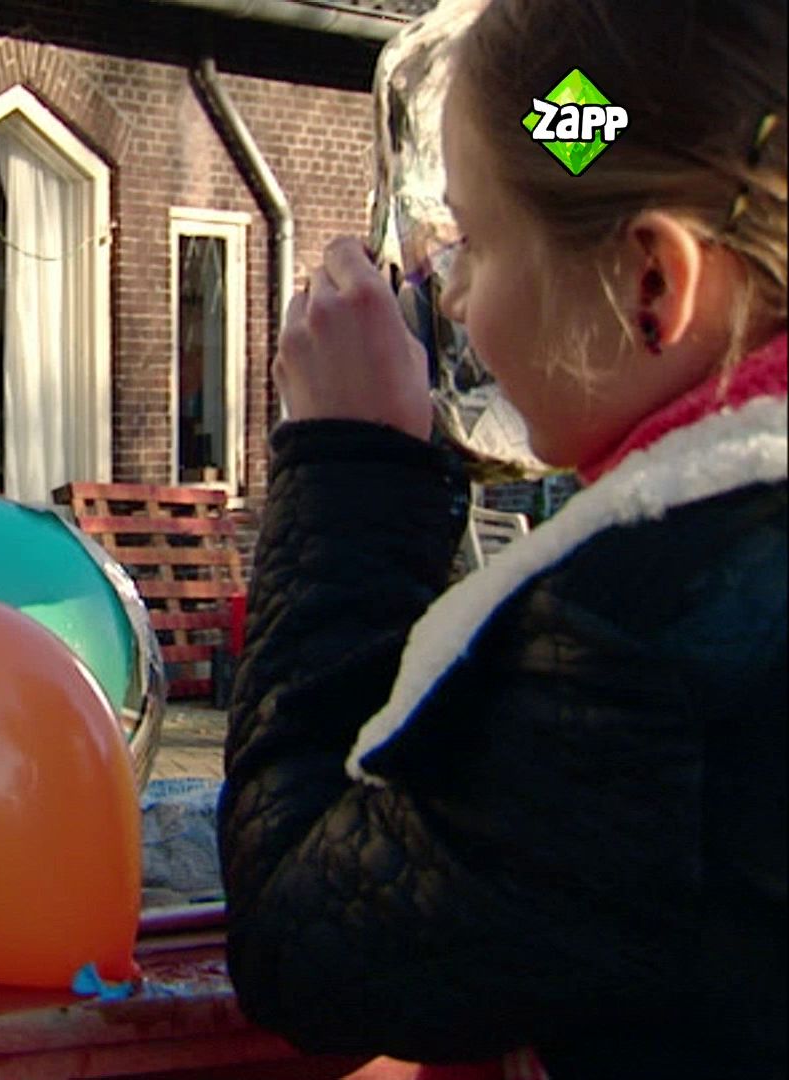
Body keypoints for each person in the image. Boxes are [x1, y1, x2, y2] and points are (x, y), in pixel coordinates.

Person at [217, 1, 786, 1078]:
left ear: (652, 284)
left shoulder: (641, 648)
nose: (457, 297)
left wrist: (348, 472)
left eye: (475, 242)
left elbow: (305, 940)